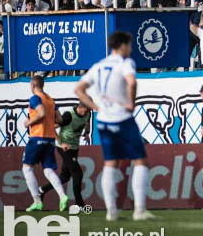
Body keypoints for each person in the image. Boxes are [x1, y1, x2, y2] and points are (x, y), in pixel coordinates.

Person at [75, 31, 156, 221]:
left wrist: (95, 107)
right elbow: (132, 81)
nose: (132, 48)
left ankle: (111, 212)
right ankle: (139, 210)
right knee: (140, 161)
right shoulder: (125, 63)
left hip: (103, 120)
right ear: (122, 45)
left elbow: (79, 89)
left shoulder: (99, 66)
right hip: (121, 118)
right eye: (130, 44)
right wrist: (131, 103)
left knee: (111, 163)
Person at [21, 74, 67, 212]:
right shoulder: (51, 100)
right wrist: (48, 121)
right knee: (48, 170)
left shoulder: (35, 98)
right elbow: (60, 120)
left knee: (27, 168)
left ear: (33, 85)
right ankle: (62, 196)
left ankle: (37, 201)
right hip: (50, 139)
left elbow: (41, 113)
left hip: (37, 137)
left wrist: (29, 122)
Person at [38, 102, 91, 210]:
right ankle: (79, 204)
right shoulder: (68, 116)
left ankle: (41, 190)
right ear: (80, 107)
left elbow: (87, 121)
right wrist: (61, 143)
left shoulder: (87, 114)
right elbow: (51, 128)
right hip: (64, 148)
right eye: (85, 111)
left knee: (65, 177)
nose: (87, 113)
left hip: (74, 147)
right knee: (78, 174)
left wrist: (87, 132)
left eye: (88, 111)